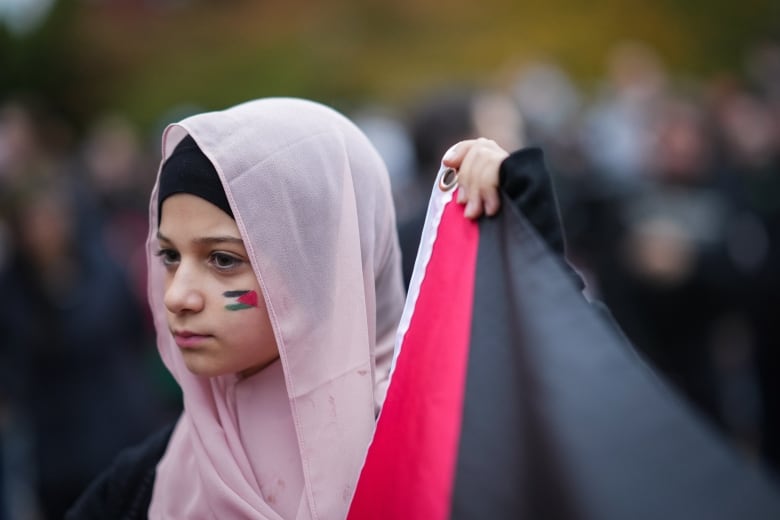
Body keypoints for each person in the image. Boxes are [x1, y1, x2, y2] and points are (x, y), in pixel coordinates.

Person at [66, 97, 568, 519]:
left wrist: (521, 221)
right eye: (170, 256)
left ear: (321, 271)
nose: (177, 295)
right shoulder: (142, 486)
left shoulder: (431, 444)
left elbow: (560, 426)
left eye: (222, 260)